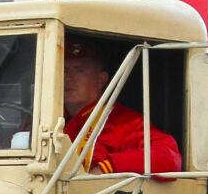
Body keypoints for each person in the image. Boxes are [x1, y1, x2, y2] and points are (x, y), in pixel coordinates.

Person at [62, 36, 182, 174]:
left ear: (101, 80)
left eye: (80, 70)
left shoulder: (124, 123)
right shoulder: (50, 119)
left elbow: (169, 157)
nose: (68, 78)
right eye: (64, 70)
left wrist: (108, 167)